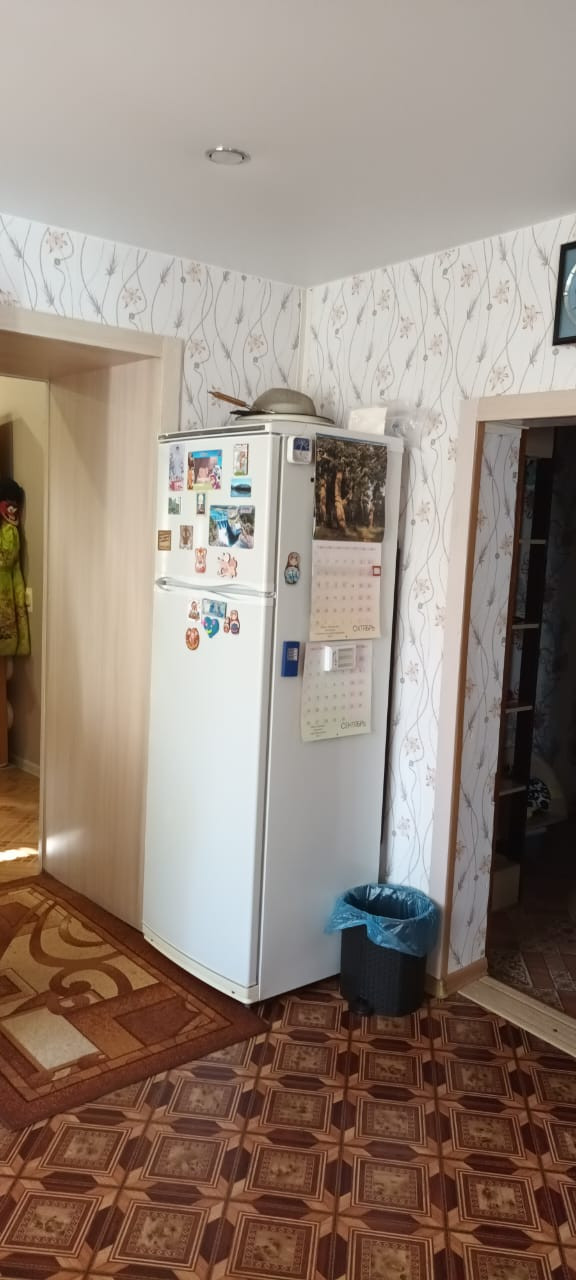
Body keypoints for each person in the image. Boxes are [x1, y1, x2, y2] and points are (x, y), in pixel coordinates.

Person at [0, 480, 30, 657]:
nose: (12, 510)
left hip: (5, 601)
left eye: (15, 505)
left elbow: (6, 560)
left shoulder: (10, 532)